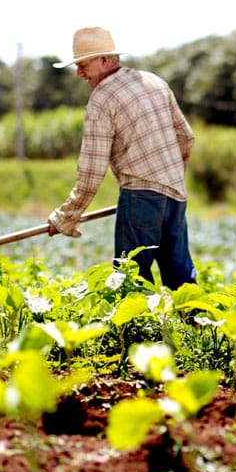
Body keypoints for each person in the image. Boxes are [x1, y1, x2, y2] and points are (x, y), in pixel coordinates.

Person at [48, 26, 198, 290]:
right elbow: (186, 137)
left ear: (105, 60)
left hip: (140, 197)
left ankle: (136, 332)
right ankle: (201, 327)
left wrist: (66, 216)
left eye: (83, 65)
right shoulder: (154, 81)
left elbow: (91, 171)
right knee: (181, 276)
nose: (79, 73)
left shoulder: (102, 99)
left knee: (131, 280)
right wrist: (169, 180)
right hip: (175, 196)